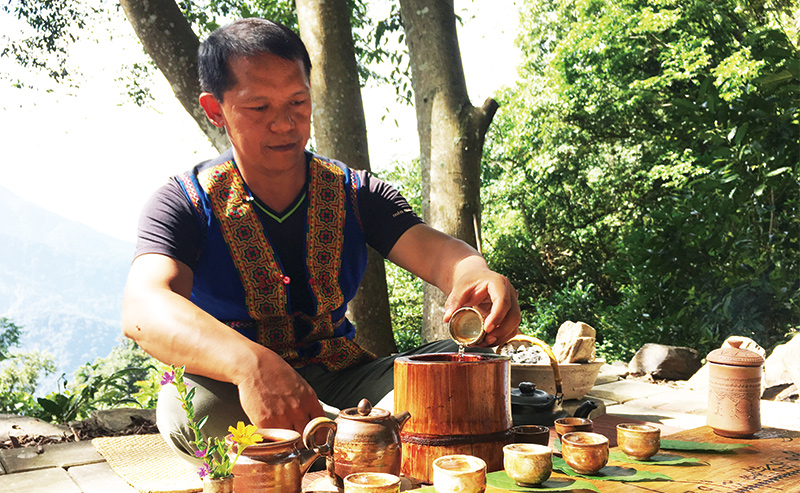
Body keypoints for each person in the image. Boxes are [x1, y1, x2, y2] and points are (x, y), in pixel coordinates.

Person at [121, 17, 520, 460]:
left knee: (477, 370)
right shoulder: (182, 203)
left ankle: (341, 440)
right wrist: (250, 364)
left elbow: (439, 252)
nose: (284, 124)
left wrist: (475, 273)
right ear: (215, 110)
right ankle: (374, 439)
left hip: (346, 377)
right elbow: (143, 309)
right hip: (236, 390)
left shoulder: (355, 192)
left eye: (297, 101)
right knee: (190, 412)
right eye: (259, 108)